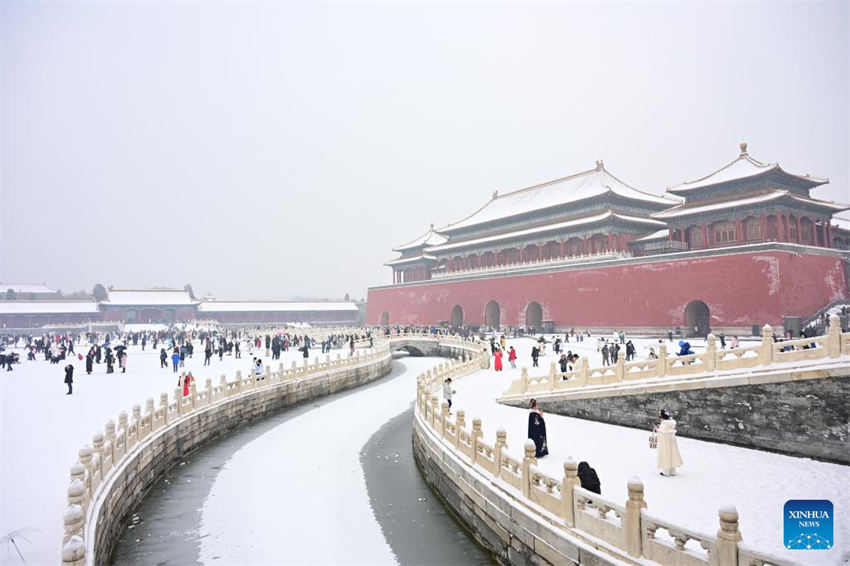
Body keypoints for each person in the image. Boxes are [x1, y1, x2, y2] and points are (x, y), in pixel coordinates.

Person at [655, 410, 683, 476]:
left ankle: (666, 472)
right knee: (672, 454)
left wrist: (657, 429)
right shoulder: (671, 423)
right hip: (672, 442)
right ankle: (672, 471)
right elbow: (667, 430)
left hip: (665, 443)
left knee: (665, 454)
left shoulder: (664, 424)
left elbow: (662, 433)